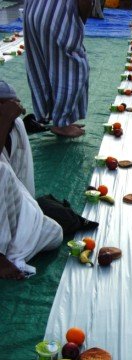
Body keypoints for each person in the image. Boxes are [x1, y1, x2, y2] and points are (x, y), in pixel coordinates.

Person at [0, 81, 63, 279]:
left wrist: (27, 212)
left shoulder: (15, 126)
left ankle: (12, 251)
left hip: (6, 203)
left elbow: (21, 181)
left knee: (55, 233)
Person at [23, 0, 93, 138]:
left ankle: (52, 116)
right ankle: (61, 124)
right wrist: (80, 21)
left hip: (33, 10)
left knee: (43, 65)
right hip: (55, 16)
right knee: (72, 67)